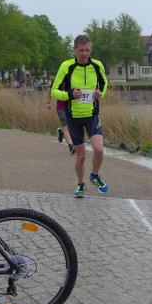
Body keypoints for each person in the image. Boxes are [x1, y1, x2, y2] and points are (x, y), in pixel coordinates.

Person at [50, 34, 110, 198]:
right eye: (81, 50)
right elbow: (54, 91)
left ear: (91, 50)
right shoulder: (66, 66)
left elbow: (104, 83)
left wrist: (100, 93)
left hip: (92, 115)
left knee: (99, 149)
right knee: (81, 156)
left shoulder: (97, 65)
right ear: (75, 50)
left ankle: (95, 175)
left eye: (87, 50)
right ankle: (80, 184)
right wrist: (69, 94)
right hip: (73, 117)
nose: (84, 54)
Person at [46, 83, 75, 155]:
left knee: (71, 126)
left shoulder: (74, 78)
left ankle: (61, 132)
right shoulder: (59, 79)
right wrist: (48, 102)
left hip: (72, 107)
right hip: (61, 107)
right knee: (66, 125)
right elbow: (50, 90)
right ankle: (71, 146)